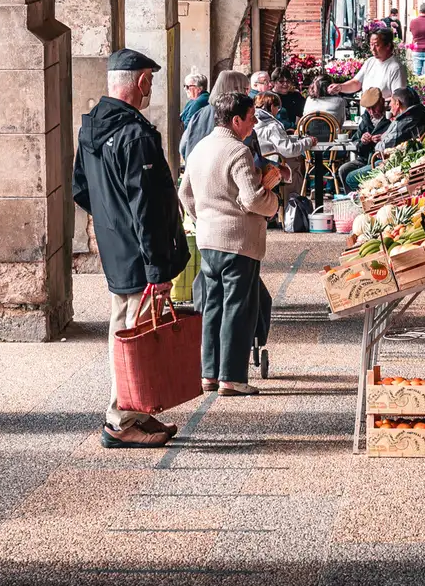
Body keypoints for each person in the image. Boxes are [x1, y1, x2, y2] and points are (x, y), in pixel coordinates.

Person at [72, 49, 190, 448]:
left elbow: (81, 190)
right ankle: (120, 419)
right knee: (129, 331)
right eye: (150, 80)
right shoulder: (135, 135)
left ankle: (135, 409)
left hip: (118, 247)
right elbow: (149, 209)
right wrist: (158, 270)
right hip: (140, 253)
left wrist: (111, 224)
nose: (151, 87)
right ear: (140, 82)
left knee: (130, 327)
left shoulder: (90, 129)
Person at [178, 92, 283, 395]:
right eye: (251, 118)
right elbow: (251, 198)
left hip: (208, 239)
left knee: (213, 306)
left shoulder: (199, 148)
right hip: (238, 242)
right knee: (238, 307)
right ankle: (232, 377)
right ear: (236, 120)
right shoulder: (238, 151)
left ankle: (208, 374)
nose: (253, 124)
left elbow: (185, 193)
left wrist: (205, 217)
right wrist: (273, 202)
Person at [180, 69, 250, 159]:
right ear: (236, 89)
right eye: (246, 89)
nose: (247, 94)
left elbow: (183, 146)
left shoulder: (200, 113)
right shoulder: (236, 115)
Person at [336, 87, 391, 191]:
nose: (371, 111)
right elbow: (354, 145)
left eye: (374, 107)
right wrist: (362, 141)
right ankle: (352, 199)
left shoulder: (390, 118)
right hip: (365, 159)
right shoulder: (366, 120)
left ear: (382, 103)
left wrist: (384, 139)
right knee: (343, 170)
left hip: (381, 159)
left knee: (352, 175)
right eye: (368, 108)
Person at [334, 29, 406, 99]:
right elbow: (356, 83)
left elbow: (398, 97)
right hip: (366, 109)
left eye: (376, 45)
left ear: (388, 46)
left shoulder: (396, 67)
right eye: (371, 45)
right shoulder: (370, 62)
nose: (372, 49)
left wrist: (376, 103)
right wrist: (340, 87)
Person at [178, 71, 210, 139]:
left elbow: (188, 126)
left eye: (188, 86)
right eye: (184, 86)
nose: (185, 89)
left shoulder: (198, 102)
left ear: (199, 89)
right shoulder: (195, 100)